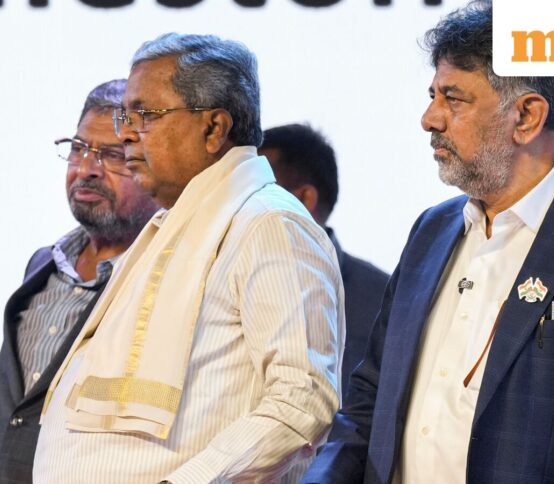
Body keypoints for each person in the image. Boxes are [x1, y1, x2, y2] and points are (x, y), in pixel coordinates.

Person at [302, 1, 554, 482]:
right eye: (433, 95)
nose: (429, 118)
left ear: (526, 116)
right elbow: (370, 396)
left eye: (453, 99)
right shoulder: (430, 231)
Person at [33, 33, 344, 483]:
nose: (124, 133)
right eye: (126, 114)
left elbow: (301, 402)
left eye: (145, 114)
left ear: (214, 128)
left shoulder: (267, 223)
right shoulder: (172, 224)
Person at [0, 79, 159, 484]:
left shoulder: (165, 274)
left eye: (111, 155)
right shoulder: (43, 264)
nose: (86, 170)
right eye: (79, 149)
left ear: (153, 167)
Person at [259, 123, 388, 395]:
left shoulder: (384, 301)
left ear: (304, 199)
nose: (239, 206)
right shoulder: (221, 280)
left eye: (257, 191)